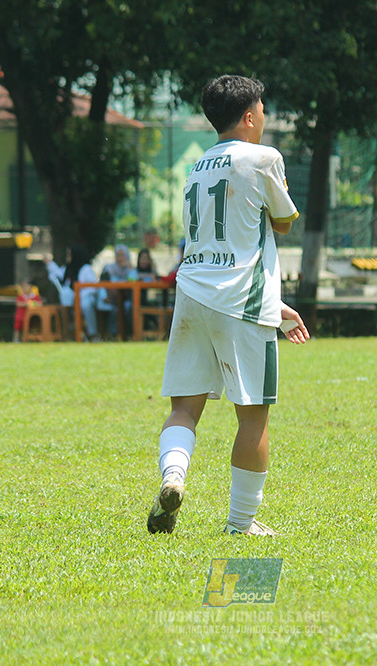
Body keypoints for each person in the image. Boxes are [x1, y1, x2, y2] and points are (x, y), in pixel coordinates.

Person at [146, 75, 309, 538]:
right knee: (253, 415)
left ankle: (173, 476)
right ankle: (241, 523)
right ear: (251, 116)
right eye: (263, 109)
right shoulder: (264, 158)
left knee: (185, 408)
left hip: (193, 293)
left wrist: (276, 306)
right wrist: (270, 304)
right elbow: (282, 225)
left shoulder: (197, 165)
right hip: (241, 302)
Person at [61, 244, 102, 342]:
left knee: (86, 304)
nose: (68, 258)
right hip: (72, 300)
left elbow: (93, 287)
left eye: (70, 255)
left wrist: (80, 295)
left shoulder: (86, 269)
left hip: (86, 297)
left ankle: (93, 334)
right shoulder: (69, 269)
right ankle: (68, 332)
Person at [97, 244, 134, 338]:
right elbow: (102, 284)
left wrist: (130, 268)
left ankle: (130, 334)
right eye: (118, 255)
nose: (120, 258)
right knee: (112, 310)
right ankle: (111, 335)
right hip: (110, 298)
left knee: (128, 307)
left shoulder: (130, 268)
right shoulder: (108, 269)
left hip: (125, 298)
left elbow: (133, 284)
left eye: (122, 255)